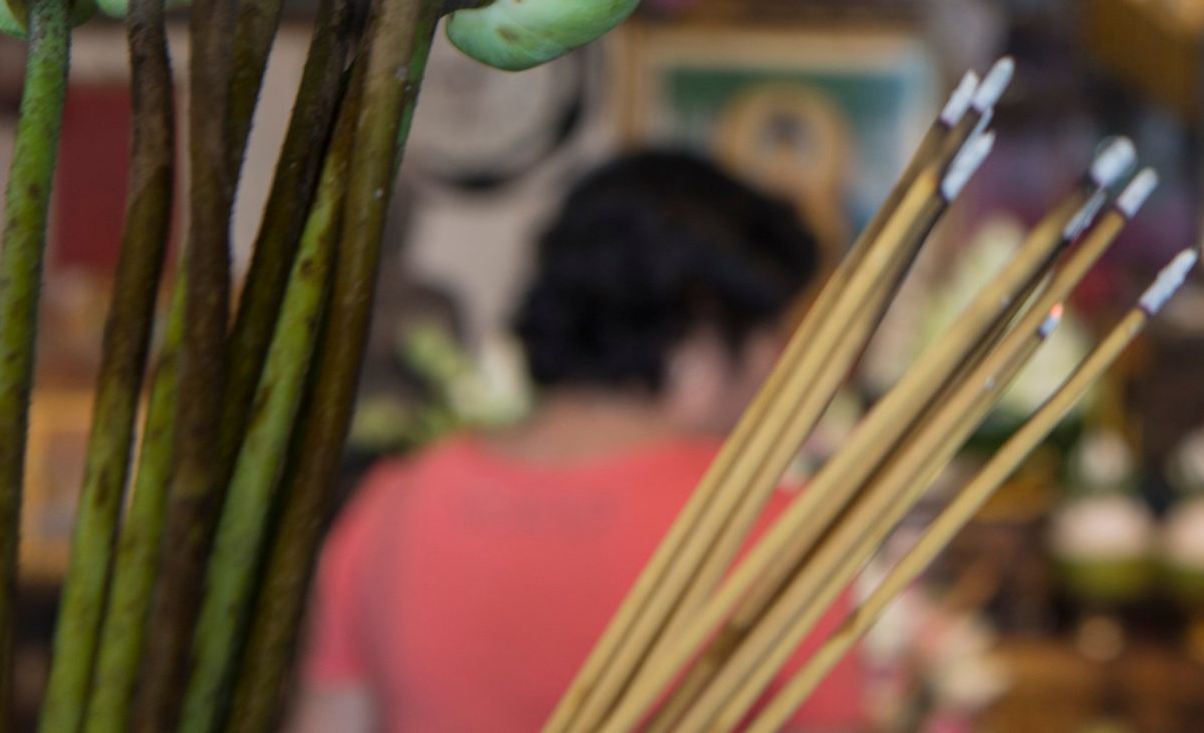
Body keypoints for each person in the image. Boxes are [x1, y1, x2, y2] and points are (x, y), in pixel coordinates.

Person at [296, 150, 866, 733]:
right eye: (771, 329)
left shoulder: (394, 503)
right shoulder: (772, 530)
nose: (778, 360)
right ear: (700, 328)